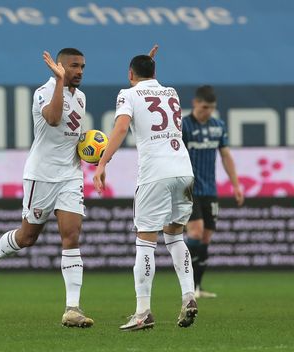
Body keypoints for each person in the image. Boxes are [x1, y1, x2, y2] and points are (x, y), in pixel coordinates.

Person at [0, 48, 94, 328]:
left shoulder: (82, 97)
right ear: (60, 67)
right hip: (41, 175)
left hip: (70, 175)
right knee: (28, 238)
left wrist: (90, 152)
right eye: (74, 66)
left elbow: (70, 136)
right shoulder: (44, 91)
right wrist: (60, 83)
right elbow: (53, 119)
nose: (79, 71)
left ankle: (72, 309)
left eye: (83, 67)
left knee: (72, 236)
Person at [93, 52, 198, 331]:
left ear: (130, 74)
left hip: (155, 174)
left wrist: (102, 162)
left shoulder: (127, 94)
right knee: (175, 237)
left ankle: (143, 312)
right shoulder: (172, 92)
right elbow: (150, 87)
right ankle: (189, 295)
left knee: (145, 241)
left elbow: (121, 127)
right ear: (154, 70)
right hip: (184, 170)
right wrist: (146, 64)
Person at [182, 85, 244, 298]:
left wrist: (236, 185)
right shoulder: (183, 126)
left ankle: (197, 287)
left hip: (210, 190)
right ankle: (187, 284)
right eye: (204, 107)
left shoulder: (218, 126)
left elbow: (226, 155)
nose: (207, 111)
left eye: (211, 108)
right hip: (187, 189)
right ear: (195, 103)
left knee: (206, 238)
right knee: (196, 232)